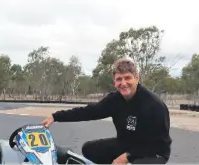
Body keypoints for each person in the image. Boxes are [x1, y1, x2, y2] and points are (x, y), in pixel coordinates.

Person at [42, 57, 172, 164]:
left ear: (137, 78)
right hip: (126, 144)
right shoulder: (115, 100)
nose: (123, 83)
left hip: (153, 152)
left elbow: (160, 144)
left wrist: (127, 157)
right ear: (114, 81)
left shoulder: (154, 105)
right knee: (89, 149)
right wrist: (56, 116)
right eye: (119, 79)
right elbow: (89, 112)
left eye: (128, 78)